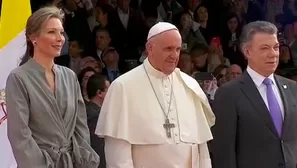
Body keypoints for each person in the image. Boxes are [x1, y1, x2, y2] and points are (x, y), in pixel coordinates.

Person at [95, 22, 215, 168]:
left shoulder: (190, 85)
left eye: (177, 49)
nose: (174, 55)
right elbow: (118, 156)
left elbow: (202, 150)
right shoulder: (123, 87)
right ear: (150, 48)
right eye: (168, 49)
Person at [5, 6, 99, 168]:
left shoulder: (69, 76)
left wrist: (83, 160)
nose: (60, 38)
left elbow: (80, 127)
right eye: (51, 32)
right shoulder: (18, 78)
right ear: (33, 37)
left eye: (61, 32)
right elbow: (20, 135)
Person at [211, 21, 297, 168]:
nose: (273, 54)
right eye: (264, 48)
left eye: (275, 47)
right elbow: (224, 152)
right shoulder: (229, 93)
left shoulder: (293, 88)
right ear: (247, 52)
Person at [86, 73, 110, 168]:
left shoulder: (95, 112)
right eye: (109, 89)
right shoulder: (93, 115)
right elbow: (97, 147)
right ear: (99, 93)